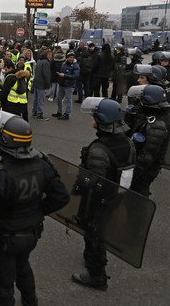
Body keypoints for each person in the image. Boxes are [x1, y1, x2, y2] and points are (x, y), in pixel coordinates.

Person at [0, 111, 70, 305]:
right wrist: (39, 211)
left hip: (4, 237)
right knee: (23, 267)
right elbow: (61, 196)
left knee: (3, 284)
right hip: (31, 232)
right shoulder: (42, 163)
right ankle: (30, 301)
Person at [72, 97, 135, 290]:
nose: (91, 119)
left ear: (101, 120)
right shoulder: (127, 142)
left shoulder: (99, 150)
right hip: (117, 195)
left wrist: (78, 185)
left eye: (94, 116)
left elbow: (94, 183)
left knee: (94, 233)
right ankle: (95, 261)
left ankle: (96, 275)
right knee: (101, 230)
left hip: (100, 199)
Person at [125, 84, 170, 197]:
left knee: (138, 196)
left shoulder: (157, 125)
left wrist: (130, 177)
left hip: (145, 170)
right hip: (140, 162)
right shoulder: (150, 116)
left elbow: (146, 158)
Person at [52, 51, 80, 121]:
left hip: (69, 85)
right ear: (67, 58)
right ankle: (59, 111)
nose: (71, 59)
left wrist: (65, 75)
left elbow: (76, 76)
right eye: (70, 57)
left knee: (68, 100)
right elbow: (62, 70)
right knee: (59, 98)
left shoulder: (75, 65)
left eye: (73, 57)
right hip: (62, 84)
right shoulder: (64, 63)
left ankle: (67, 114)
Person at [31, 48, 52, 120]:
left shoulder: (39, 61)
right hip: (41, 83)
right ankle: (39, 114)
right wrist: (48, 84)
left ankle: (34, 111)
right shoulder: (46, 63)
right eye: (49, 54)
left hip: (36, 82)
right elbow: (46, 74)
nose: (50, 56)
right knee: (41, 99)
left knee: (36, 99)